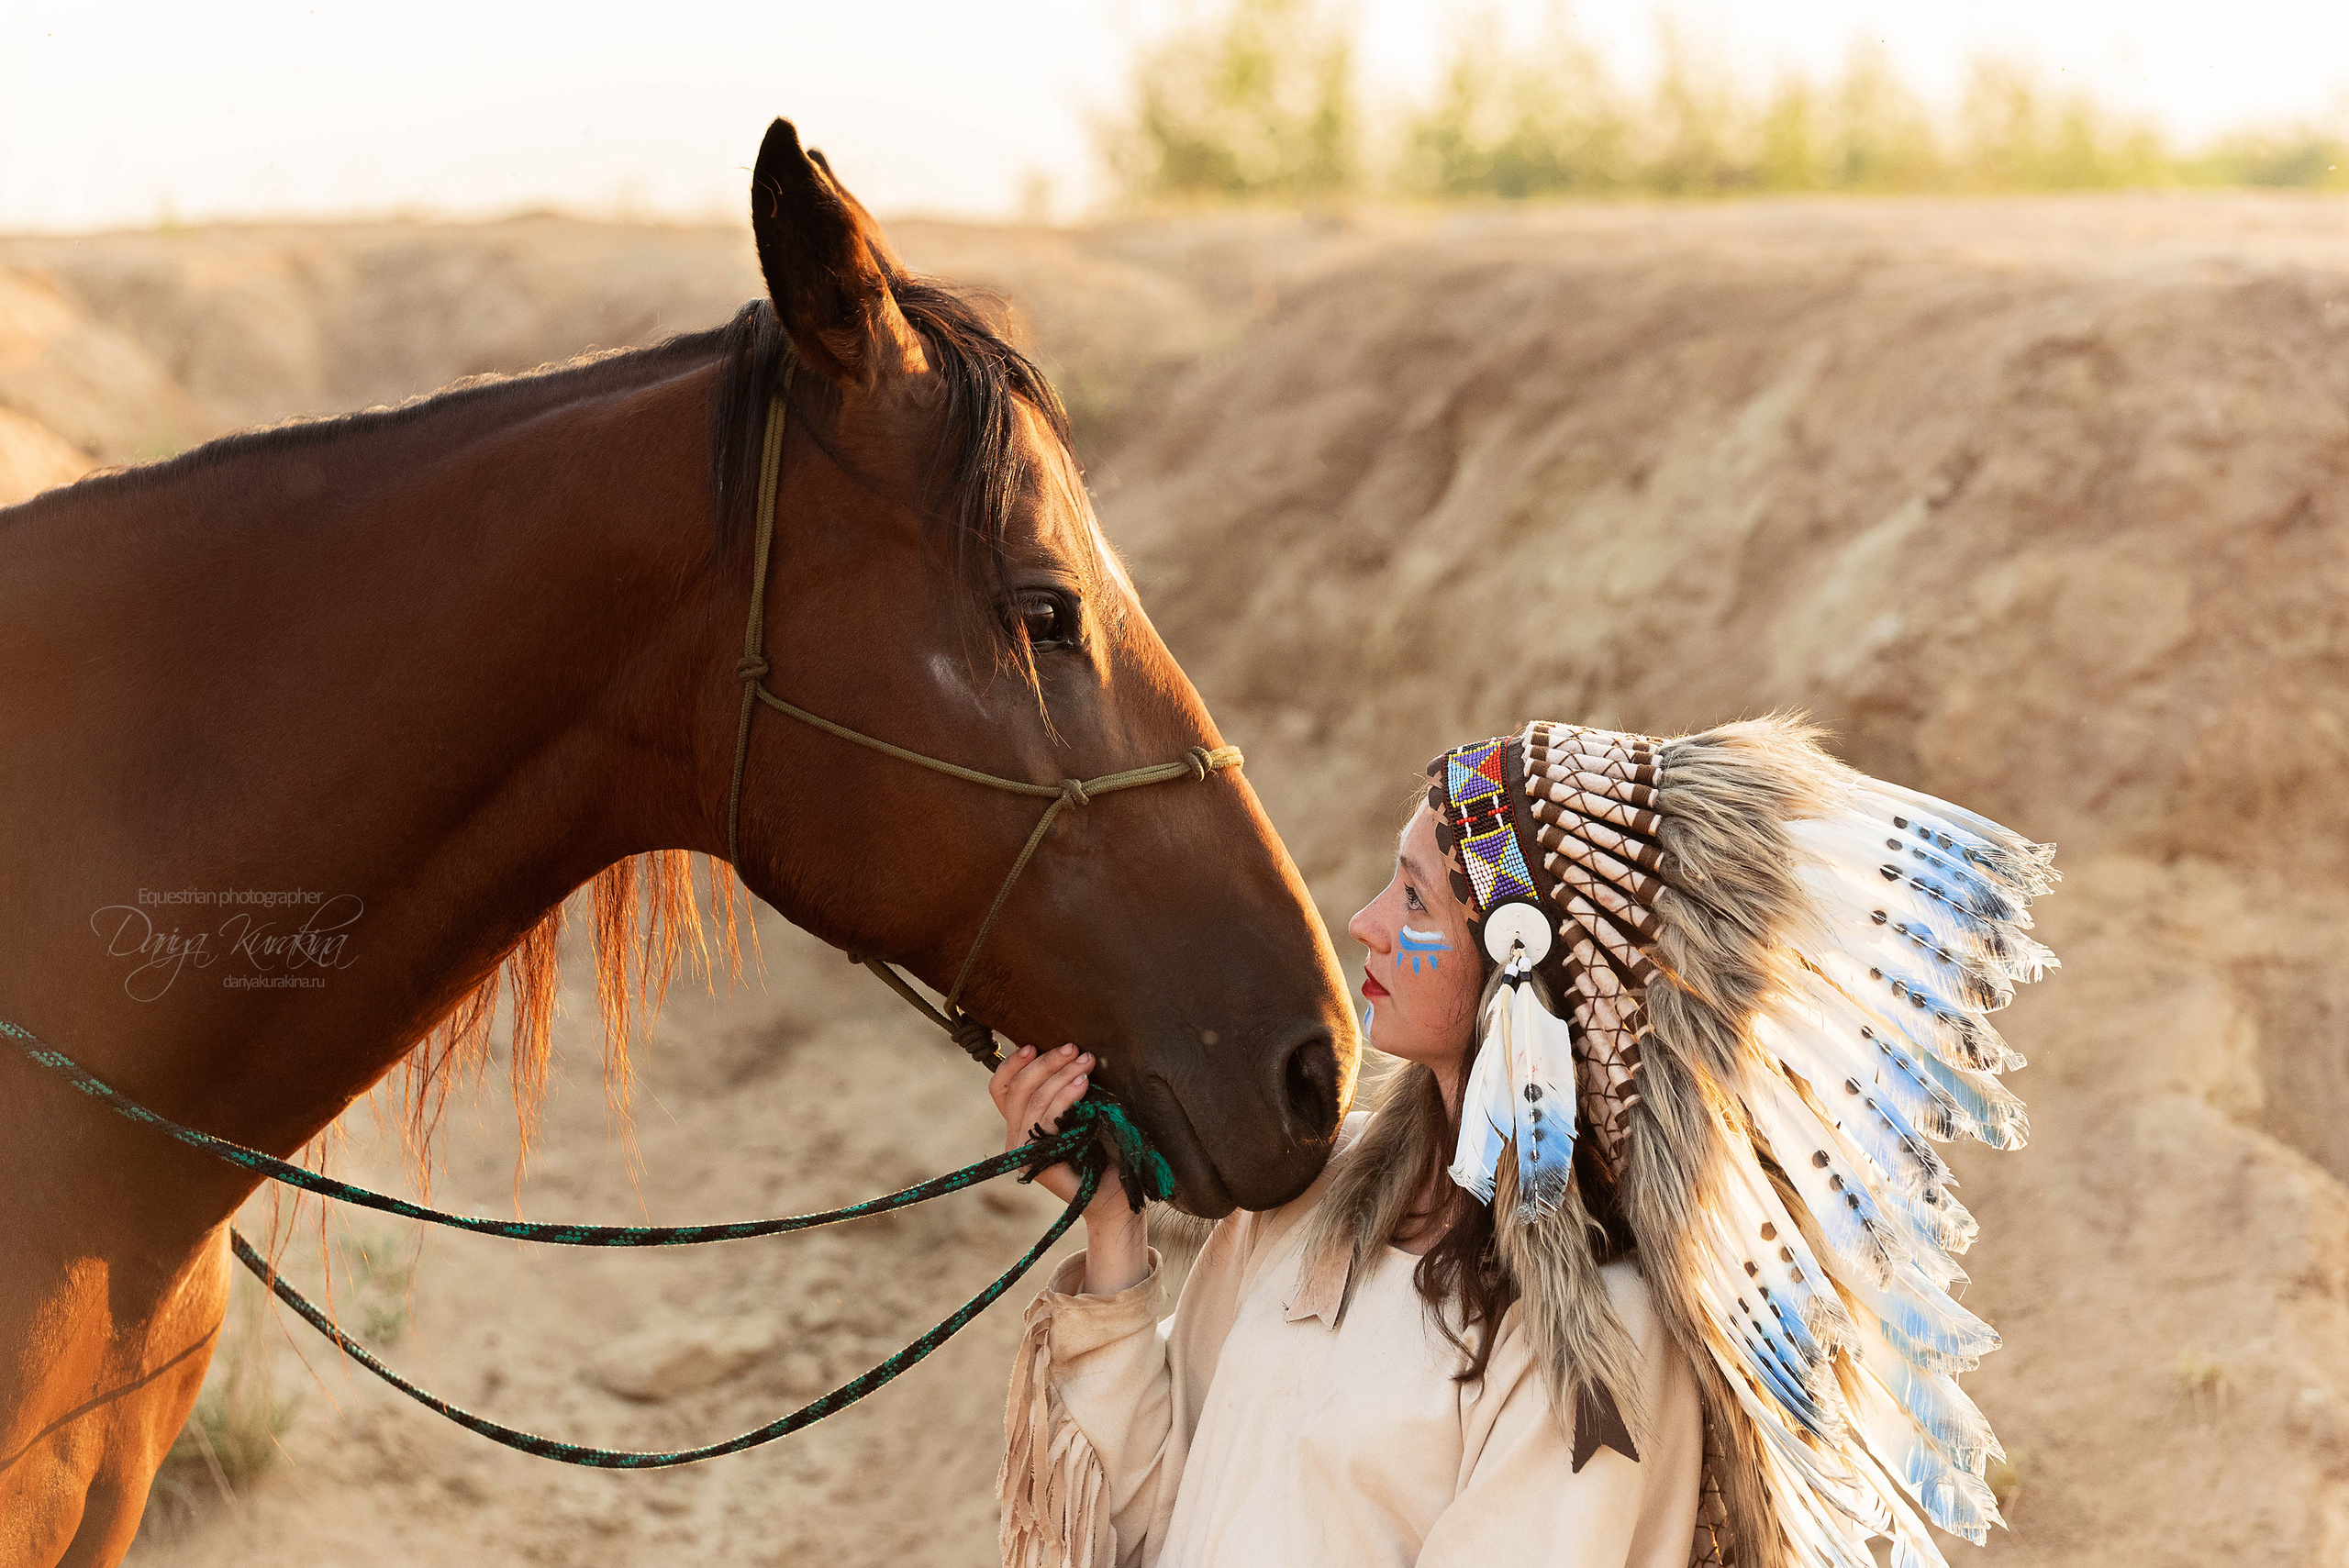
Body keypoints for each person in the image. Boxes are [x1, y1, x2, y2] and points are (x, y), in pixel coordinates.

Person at [992, 717, 2057, 1568]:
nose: (1362, 921)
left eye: (1413, 898)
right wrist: (1113, 1227)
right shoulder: (1309, 1200)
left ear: (1518, 969)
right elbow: (1136, 1522)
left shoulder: (1600, 1336)